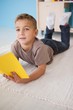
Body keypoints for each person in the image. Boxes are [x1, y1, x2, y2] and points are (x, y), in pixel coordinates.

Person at [4, 12, 71, 83]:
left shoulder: (40, 49)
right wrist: (8, 72)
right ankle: (49, 25)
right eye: (18, 29)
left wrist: (27, 79)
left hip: (51, 46)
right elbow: (14, 63)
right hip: (39, 42)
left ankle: (64, 24)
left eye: (26, 29)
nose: (21, 33)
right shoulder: (15, 46)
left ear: (35, 33)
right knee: (46, 38)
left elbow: (41, 69)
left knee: (65, 45)